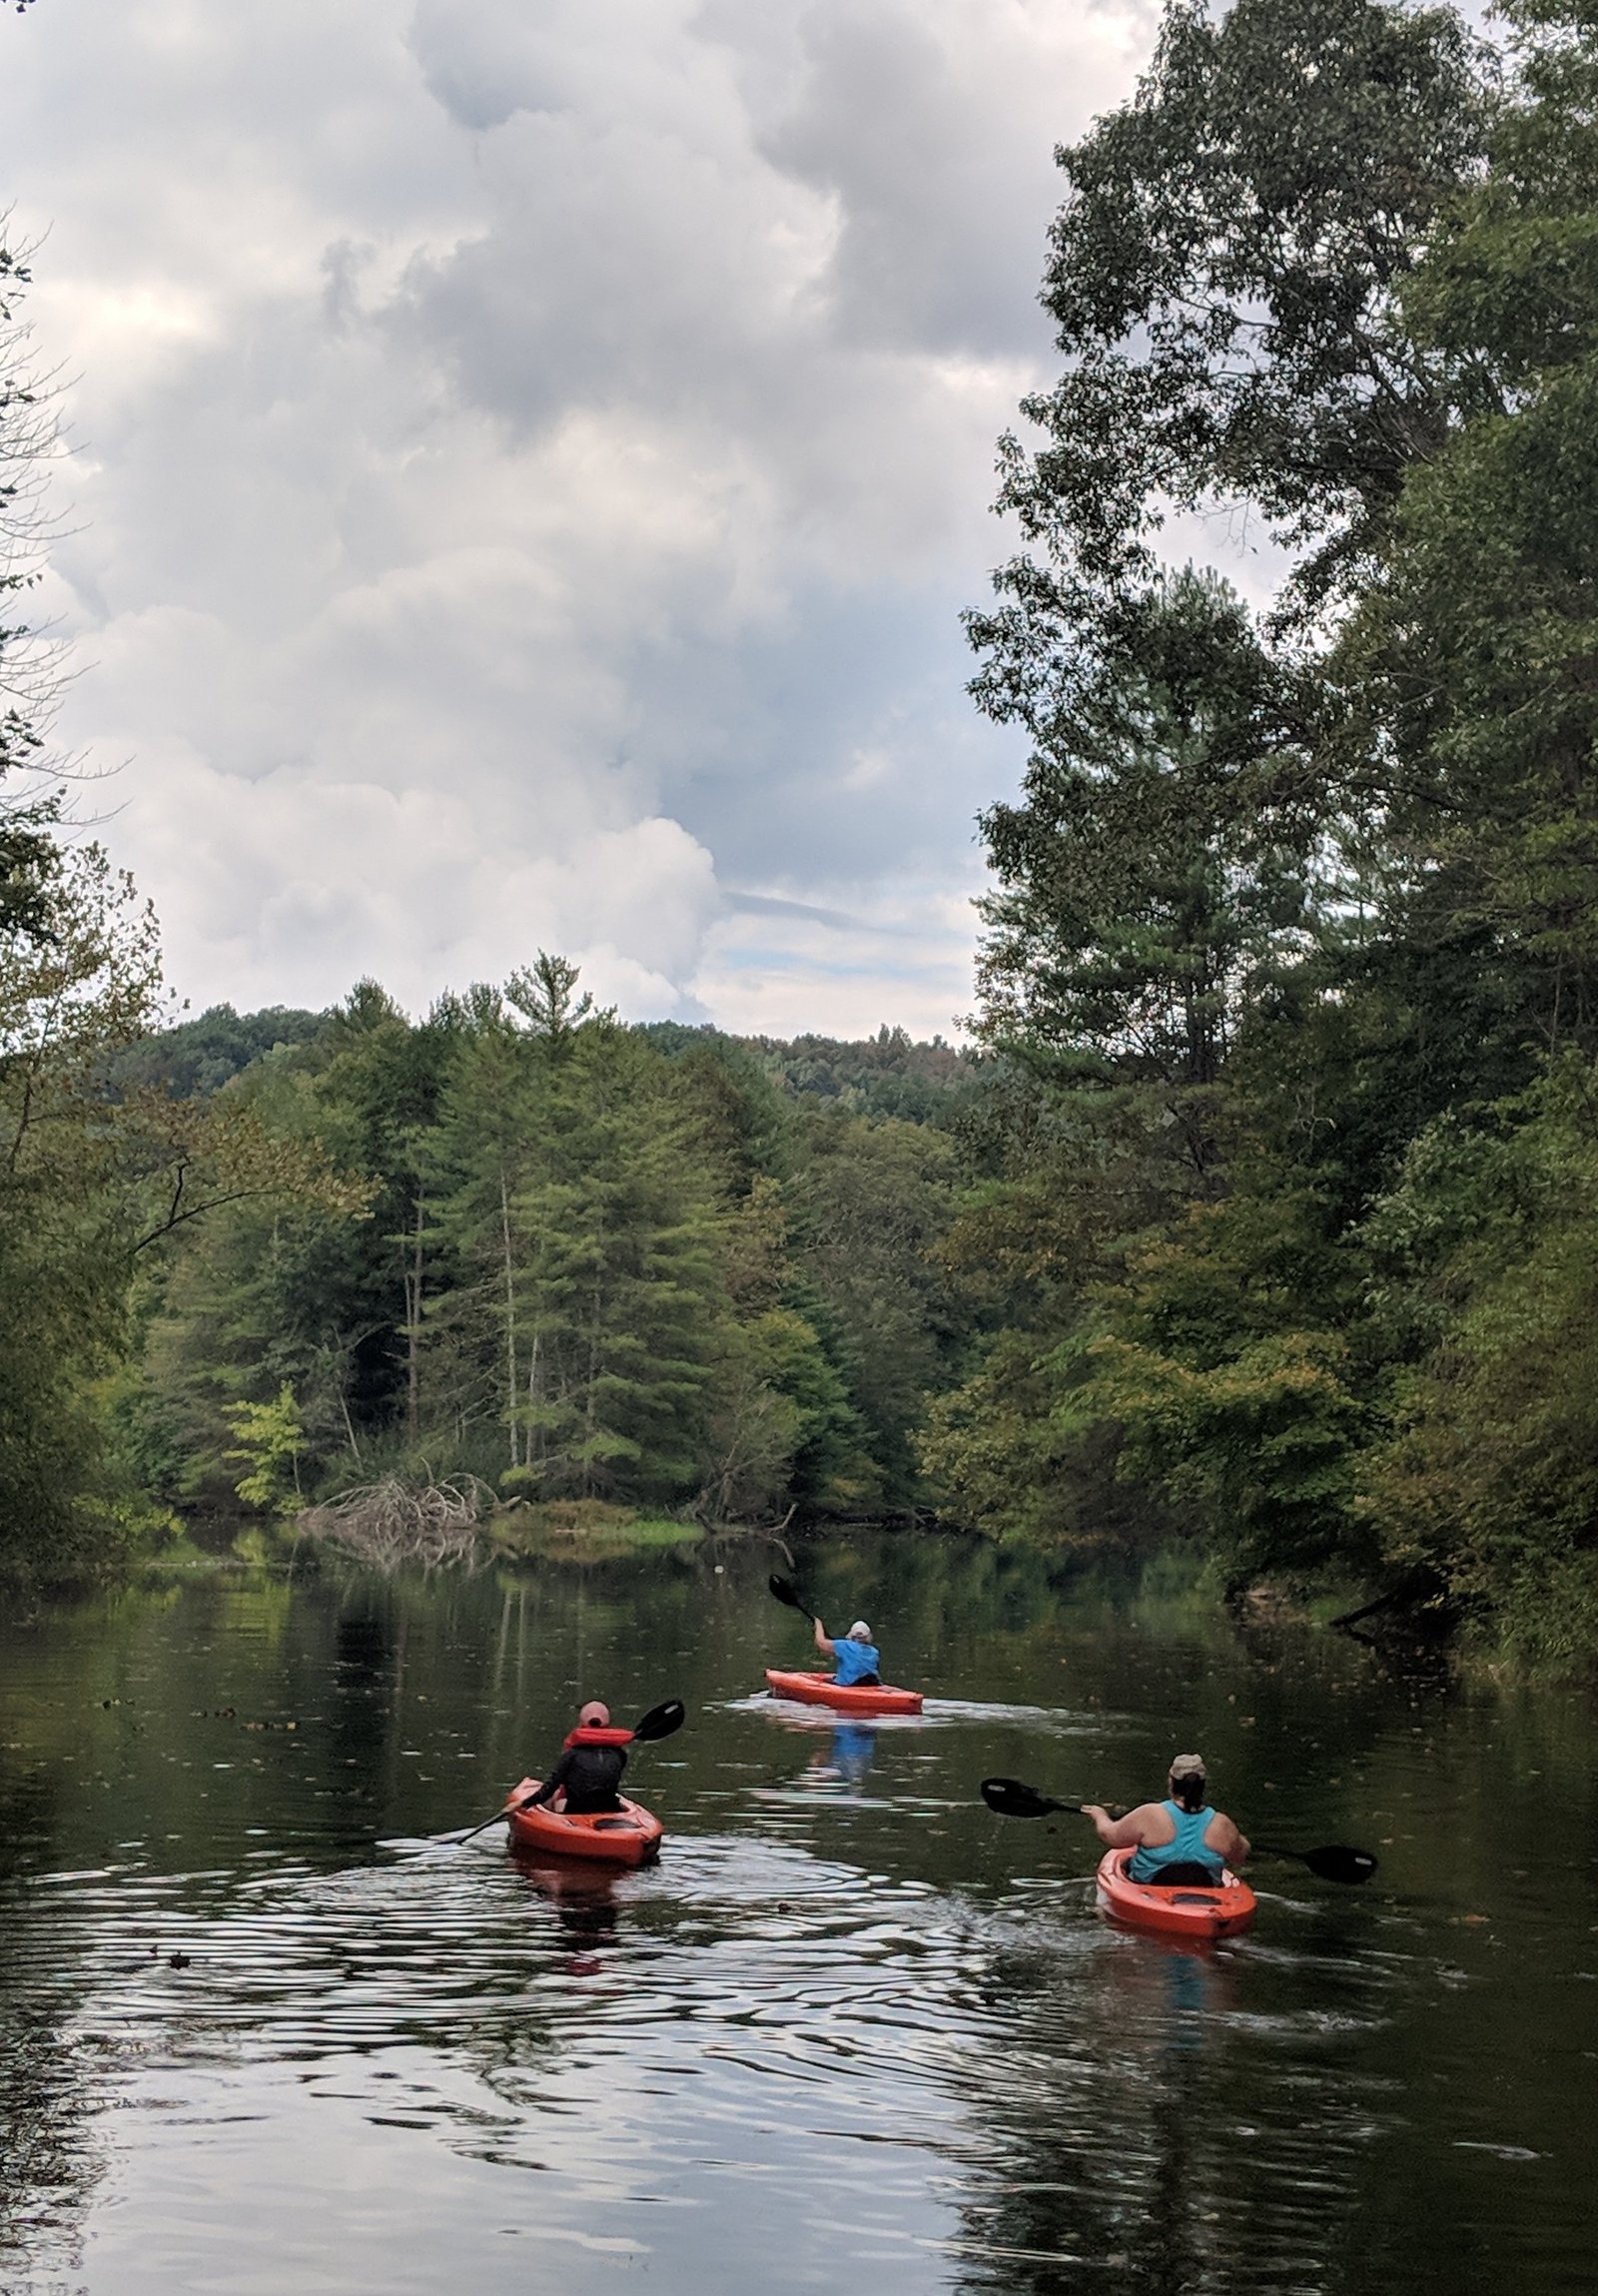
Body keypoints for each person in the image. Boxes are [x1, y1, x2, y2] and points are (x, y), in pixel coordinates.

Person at [1083, 1754, 1249, 1884]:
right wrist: (1236, 1838)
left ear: (1171, 1782)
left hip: (1149, 1894)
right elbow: (1240, 1856)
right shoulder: (1222, 1824)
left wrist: (1100, 1816)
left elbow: (1110, 1836)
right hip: (1205, 1900)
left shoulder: (1150, 1814)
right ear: (1203, 1786)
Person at [523, 1701, 631, 1815]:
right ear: (607, 1723)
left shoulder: (572, 1755)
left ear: (582, 1723)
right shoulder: (619, 1754)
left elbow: (549, 1789)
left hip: (576, 1810)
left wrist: (523, 1804)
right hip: (610, 1807)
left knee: (558, 1801)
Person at [812, 1615, 882, 1688]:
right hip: (871, 1683)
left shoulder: (844, 1645)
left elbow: (820, 1643)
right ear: (868, 1636)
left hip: (850, 1685)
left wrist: (818, 1624)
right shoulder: (874, 1652)